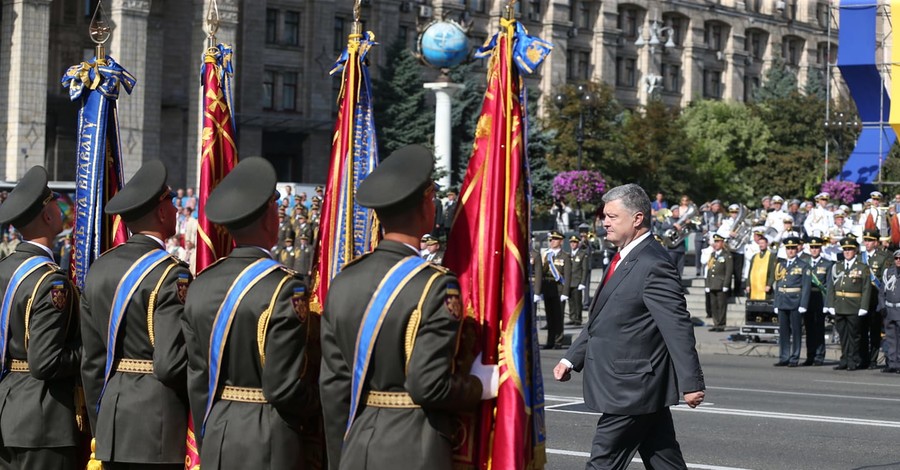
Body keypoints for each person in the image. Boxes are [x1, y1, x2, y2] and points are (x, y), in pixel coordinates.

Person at [320, 144, 497, 469]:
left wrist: (339, 458)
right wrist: (478, 386)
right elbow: (428, 384)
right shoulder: (435, 284)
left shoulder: (344, 281)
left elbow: (334, 388)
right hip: (415, 447)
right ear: (427, 203)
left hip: (357, 444)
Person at [553, 183, 705, 470]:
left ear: (637, 219)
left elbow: (677, 327)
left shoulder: (652, 263)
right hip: (637, 387)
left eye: (612, 217)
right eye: (605, 216)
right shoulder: (623, 257)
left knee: (602, 463)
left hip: (631, 389)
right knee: (664, 461)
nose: (605, 223)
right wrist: (571, 358)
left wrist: (691, 383)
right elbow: (604, 318)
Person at [182, 157, 318, 469]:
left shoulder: (200, 285)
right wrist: (319, 403)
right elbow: (283, 387)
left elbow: (198, 380)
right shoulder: (286, 288)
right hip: (269, 438)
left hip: (217, 433)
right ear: (271, 216)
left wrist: (209, 436)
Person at [80, 161, 192, 469]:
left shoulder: (99, 268)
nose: (177, 209)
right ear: (160, 212)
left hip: (113, 422)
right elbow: (170, 365)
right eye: (172, 202)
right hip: (158, 425)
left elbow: (92, 364)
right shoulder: (172, 274)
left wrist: (100, 423)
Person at [0, 166, 81, 469]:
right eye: (57, 206)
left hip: (7, 411)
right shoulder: (50, 282)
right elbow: (45, 362)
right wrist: (93, 349)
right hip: (43, 419)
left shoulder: (4, 269)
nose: (62, 211)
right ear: (48, 217)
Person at [826, 237, 872, 371]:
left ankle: (853, 360)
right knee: (843, 335)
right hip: (840, 305)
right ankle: (844, 359)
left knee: (854, 336)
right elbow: (831, 287)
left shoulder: (862, 267)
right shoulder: (837, 266)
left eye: (849, 249)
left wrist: (864, 307)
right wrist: (831, 304)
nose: (846, 252)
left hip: (854, 306)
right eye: (845, 249)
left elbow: (866, 288)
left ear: (855, 250)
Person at [772, 237, 811, 367]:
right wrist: (776, 303)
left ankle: (794, 357)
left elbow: (806, 287)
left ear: (797, 249)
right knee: (783, 332)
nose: (790, 251)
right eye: (788, 248)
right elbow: (778, 285)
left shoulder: (803, 265)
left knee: (796, 332)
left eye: (793, 248)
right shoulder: (781, 265)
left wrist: (803, 304)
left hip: (795, 301)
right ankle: (784, 356)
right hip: (783, 300)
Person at [860, 229, 890, 369]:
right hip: (861, 300)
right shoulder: (860, 257)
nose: (867, 243)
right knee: (861, 330)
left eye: (870, 240)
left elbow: (885, 280)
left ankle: (872, 359)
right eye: (866, 240)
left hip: (875, 299)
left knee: (874, 331)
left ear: (876, 242)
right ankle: (863, 358)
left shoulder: (883, 257)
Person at [803, 237, 832, 366]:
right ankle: (810, 355)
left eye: (817, 248)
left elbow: (829, 285)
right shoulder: (804, 263)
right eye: (812, 248)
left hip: (820, 298)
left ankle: (819, 356)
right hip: (807, 299)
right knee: (809, 329)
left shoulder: (827, 264)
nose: (814, 250)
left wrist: (828, 304)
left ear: (820, 249)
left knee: (819, 329)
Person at [542, 230, 571, 349]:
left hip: (559, 290)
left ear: (560, 241)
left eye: (554, 239)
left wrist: (565, 292)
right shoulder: (547, 255)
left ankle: (558, 341)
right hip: (548, 289)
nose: (552, 242)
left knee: (558, 317)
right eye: (550, 240)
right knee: (549, 317)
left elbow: (568, 275)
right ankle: (550, 341)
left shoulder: (565, 256)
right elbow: (542, 273)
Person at [705, 233, 732, 332]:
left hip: (721, 284)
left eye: (717, 242)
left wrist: (726, 284)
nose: (715, 244)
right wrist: (707, 284)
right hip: (712, 284)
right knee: (714, 305)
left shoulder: (726, 255)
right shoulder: (713, 255)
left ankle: (721, 324)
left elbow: (728, 271)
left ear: (722, 243)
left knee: (721, 305)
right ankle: (716, 323)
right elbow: (709, 270)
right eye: (715, 242)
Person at [879, 250, 900, 373]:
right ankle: (892, 363)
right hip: (889, 309)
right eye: (896, 258)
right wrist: (882, 307)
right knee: (891, 338)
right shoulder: (888, 273)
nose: (898, 260)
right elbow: (882, 292)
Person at [746, 230, 776, 301]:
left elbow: (772, 272)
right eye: (759, 243)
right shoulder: (755, 256)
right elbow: (750, 272)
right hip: (754, 286)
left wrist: (769, 284)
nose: (761, 245)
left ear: (766, 244)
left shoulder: (771, 256)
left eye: (762, 243)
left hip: (765, 286)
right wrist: (748, 285)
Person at [567, 235, 589, 326]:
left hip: (577, 281)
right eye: (571, 242)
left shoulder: (582, 254)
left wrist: (583, 282)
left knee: (577, 301)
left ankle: (578, 318)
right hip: (569, 282)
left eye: (575, 242)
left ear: (578, 243)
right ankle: (572, 317)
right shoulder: (568, 254)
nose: (573, 244)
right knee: (571, 301)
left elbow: (585, 269)